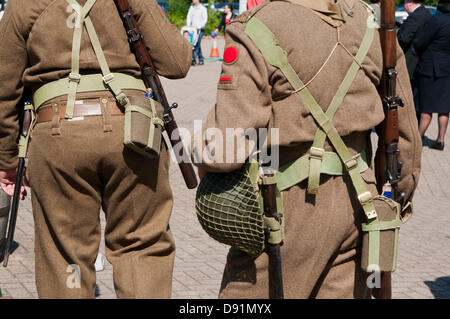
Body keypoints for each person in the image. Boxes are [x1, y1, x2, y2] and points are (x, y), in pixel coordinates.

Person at [193, 0, 421, 298]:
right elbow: (406, 136)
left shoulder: (255, 27)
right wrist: (395, 200)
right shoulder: (368, 22)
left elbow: (225, 152)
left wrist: (198, 145)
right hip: (361, 202)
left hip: (286, 208)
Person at [0, 0, 191, 298]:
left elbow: (3, 87)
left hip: (58, 132)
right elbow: (177, 62)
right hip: (133, 132)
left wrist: (8, 158)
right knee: (141, 246)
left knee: (67, 255)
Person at [413, 0, 450, 150]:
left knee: (426, 108)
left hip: (430, 69)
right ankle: (440, 140)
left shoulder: (436, 20)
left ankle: (418, 139)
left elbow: (421, 42)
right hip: (447, 69)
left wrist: (415, 51)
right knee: (444, 107)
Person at [397, 0, 432, 119]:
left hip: (411, 61)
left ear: (410, 3)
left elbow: (404, 39)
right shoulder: (426, 13)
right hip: (422, 61)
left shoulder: (415, 17)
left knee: (408, 95)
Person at [187, 0, 208, 66]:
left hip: (200, 29)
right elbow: (189, 17)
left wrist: (200, 26)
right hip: (193, 29)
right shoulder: (191, 8)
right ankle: (201, 59)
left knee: (197, 43)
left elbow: (205, 19)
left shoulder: (203, 8)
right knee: (194, 43)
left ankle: (193, 59)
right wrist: (188, 25)